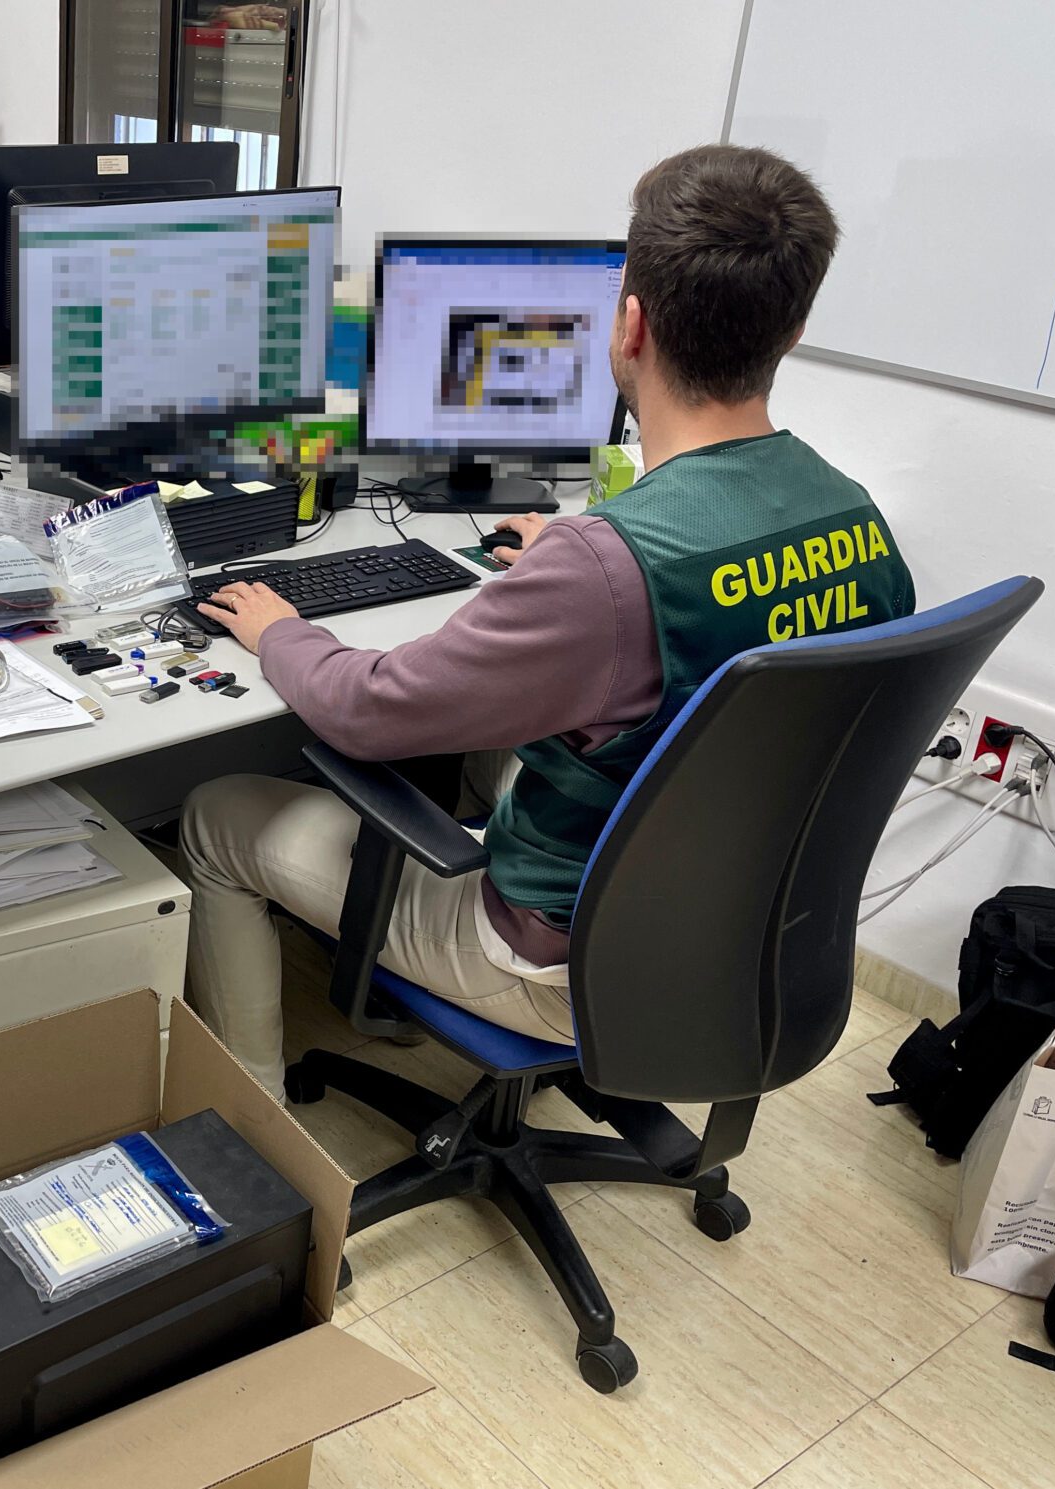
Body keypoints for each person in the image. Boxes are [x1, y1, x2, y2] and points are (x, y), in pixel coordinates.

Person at [180, 143, 917, 1095]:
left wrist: (279, 627)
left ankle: (253, 1118)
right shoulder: (855, 518)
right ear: (796, 327)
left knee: (214, 815)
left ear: (631, 325)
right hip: (735, 944)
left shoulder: (604, 568)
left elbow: (366, 708)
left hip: (557, 961)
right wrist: (576, 580)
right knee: (480, 760)